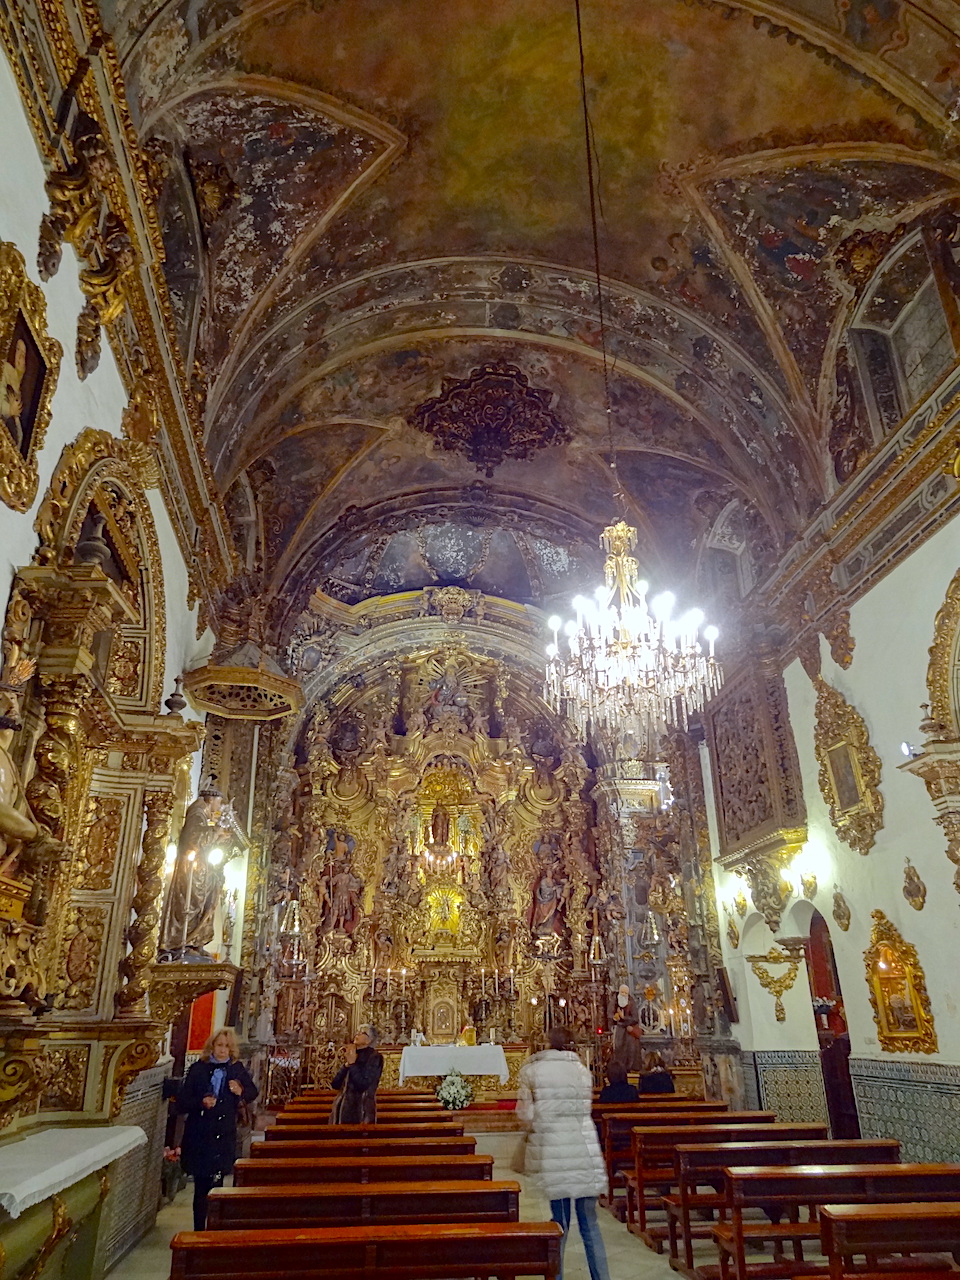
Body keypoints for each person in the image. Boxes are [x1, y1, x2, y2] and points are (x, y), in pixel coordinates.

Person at [517, 1027, 610, 1280]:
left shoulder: (534, 1071)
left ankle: (556, 1277)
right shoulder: (582, 1071)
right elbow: (585, 1108)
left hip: (555, 1151)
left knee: (559, 1225)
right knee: (590, 1225)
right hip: (583, 1147)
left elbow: (524, 1114)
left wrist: (538, 1118)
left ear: (547, 1043)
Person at [178, 1026, 258, 1230]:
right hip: (200, 1134)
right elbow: (184, 1100)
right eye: (219, 1045)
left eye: (227, 1047)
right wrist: (201, 1102)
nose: (223, 1050)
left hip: (223, 1135)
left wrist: (240, 1090)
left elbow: (252, 1092)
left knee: (217, 1185)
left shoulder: (236, 1069)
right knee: (200, 1187)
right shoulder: (198, 1069)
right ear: (212, 1046)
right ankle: (198, 1228)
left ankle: (213, 1228)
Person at [331, 1024, 383, 1123]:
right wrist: (346, 1066)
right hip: (341, 1109)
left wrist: (353, 1064)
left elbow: (363, 1084)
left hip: (361, 1111)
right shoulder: (352, 1054)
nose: (357, 1034)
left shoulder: (374, 1057)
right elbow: (335, 1084)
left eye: (362, 1032)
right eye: (357, 1031)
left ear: (369, 1040)